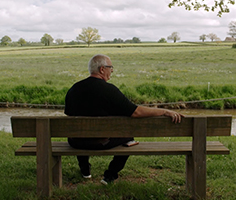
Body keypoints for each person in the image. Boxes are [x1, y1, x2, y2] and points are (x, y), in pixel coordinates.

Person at [64, 54, 184, 185]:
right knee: (128, 137)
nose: (112, 70)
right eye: (111, 67)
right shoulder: (110, 90)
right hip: (101, 142)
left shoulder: (73, 89)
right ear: (102, 69)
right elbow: (136, 112)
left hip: (75, 142)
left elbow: (69, 114)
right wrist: (164, 111)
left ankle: (85, 171)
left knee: (82, 130)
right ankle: (110, 175)